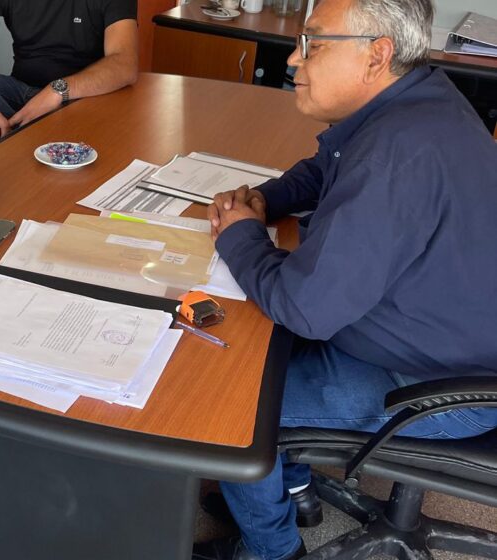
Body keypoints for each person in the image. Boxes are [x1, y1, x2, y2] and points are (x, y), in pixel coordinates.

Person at [198, 0, 497, 558]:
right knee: (253, 350)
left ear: (376, 54)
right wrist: (268, 198)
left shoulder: (396, 156)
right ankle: (290, 485)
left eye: (313, 43)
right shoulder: (418, 99)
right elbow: (329, 166)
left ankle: (271, 549)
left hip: (440, 383)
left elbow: (306, 308)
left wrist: (239, 236)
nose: (293, 60)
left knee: (227, 402)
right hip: (443, 334)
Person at [0, 0, 138, 143]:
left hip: (79, 97)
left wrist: (57, 90)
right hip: (21, 93)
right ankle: (21, 132)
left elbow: (124, 62)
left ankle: (17, 136)